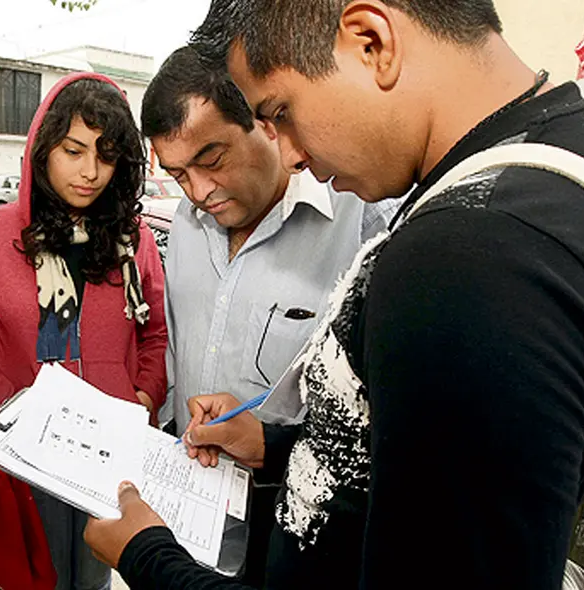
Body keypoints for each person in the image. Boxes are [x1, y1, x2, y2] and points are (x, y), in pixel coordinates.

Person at [84, 1, 584, 589]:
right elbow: (412, 467)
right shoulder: (539, 174)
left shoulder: (472, 258)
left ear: (371, 41)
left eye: (281, 111)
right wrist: (276, 445)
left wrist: (150, 557)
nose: (289, 154)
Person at [141, 46, 396, 585]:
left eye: (211, 160)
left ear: (269, 124)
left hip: (297, 526)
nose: (199, 192)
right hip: (190, 500)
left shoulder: (364, 223)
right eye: (178, 173)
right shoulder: (186, 225)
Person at [0, 72, 168, 590]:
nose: (90, 172)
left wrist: (143, 397)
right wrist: (17, 407)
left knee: (93, 579)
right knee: (32, 578)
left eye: (106, 156)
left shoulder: (134, 241)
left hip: (107, 459)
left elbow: (153, 334)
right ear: (42, 148)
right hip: (25, 453)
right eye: (73, 150)